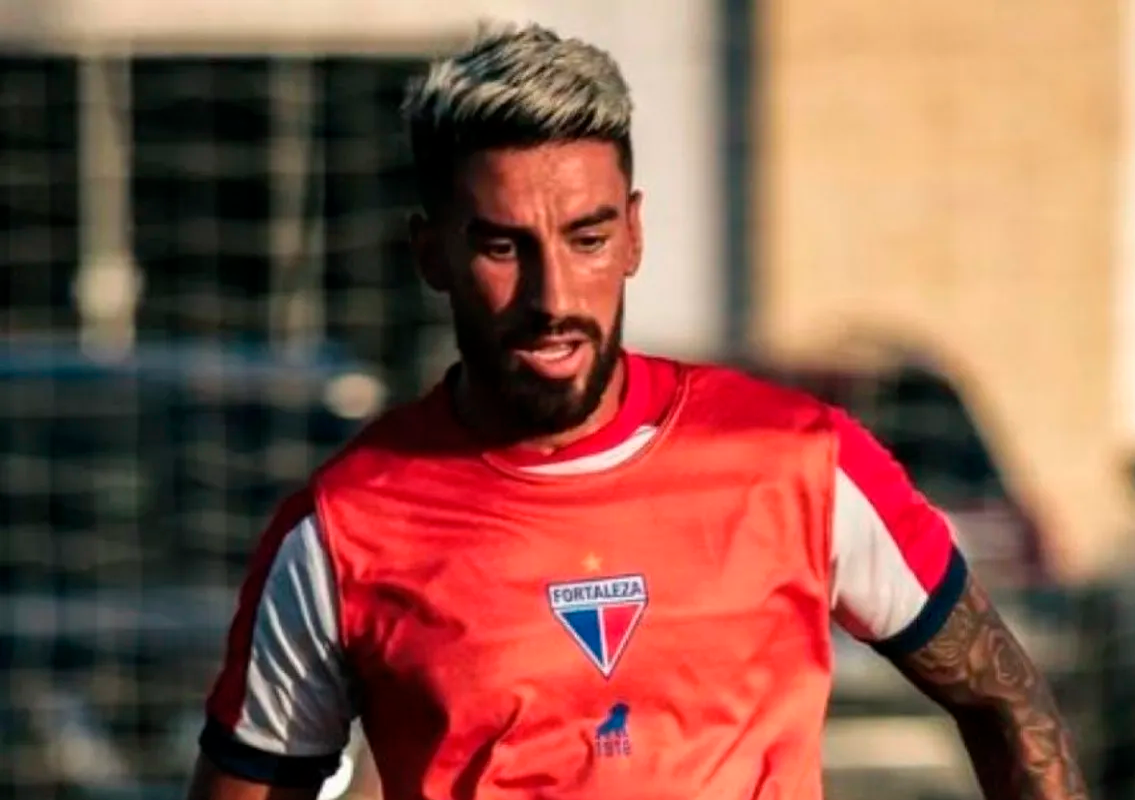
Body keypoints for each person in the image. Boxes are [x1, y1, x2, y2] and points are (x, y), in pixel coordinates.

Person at [186, 23, 1089, 800]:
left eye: (588, 239)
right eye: (503, 246)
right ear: (431, 253)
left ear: (635, 234)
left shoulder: (800, 460)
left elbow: (1005, 699)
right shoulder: (345, 527)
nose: (553, 297)